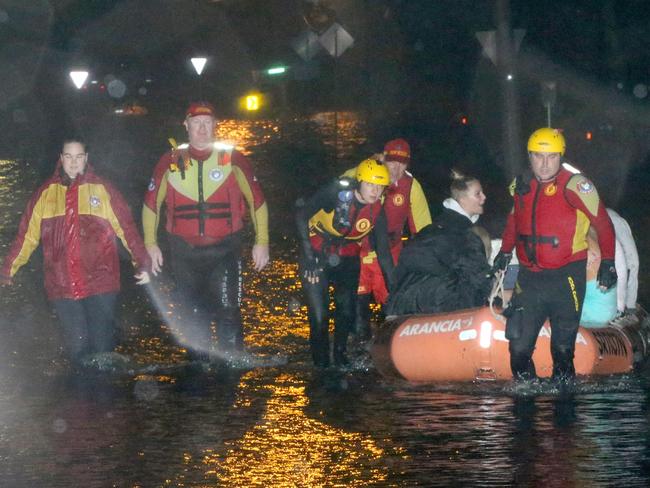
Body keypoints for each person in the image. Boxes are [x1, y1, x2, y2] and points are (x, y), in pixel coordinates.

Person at [0, 138, 151, 368]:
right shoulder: (45, 194)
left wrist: (142, 262)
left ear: (86, 158)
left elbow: (127, 228)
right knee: (78, 352)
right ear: (60, 159)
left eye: (78, 156)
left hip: (101, 283)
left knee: (103, 353)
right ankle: (81, 401)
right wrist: (7, 269)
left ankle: (104, 401)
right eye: (68, 157)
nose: (73, 163)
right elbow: (26, 238)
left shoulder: (103, 190)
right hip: (62, 287)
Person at [142, 101, 269, 358]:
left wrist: (262, 241)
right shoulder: (170, 161)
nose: (202, 128)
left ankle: (231, 367)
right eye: (196, 123)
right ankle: (197, 373)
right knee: (191, 313)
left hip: (224, 250)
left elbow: (257, 201)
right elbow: (151, 205)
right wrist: (150, 243)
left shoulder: (233, 159)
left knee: (227, 308)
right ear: (186, 126)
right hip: (183, 253)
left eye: (207, 123)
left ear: (215, 126)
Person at [492, 128, 617, 381]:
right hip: (530, 278)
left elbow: (603, 224)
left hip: (567, 277)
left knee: (561, 350)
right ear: (530, 156)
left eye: (551, 157)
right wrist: (505, 252)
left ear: (560, 156)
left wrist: (608, 262)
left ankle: (564, 412)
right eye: (539, 156)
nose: (545, 164)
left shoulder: (577, 186)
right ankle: (525, 405)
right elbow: (514, 221)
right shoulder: (521, 185)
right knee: (518, 349)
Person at [296, 158, 394, 367]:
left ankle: (340, 357)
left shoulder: (377, 209)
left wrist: (394, 290)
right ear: (359, 181)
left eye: (380, 187)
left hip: (347, 257)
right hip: (316, 254)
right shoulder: (336, 193)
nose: (375, 191)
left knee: (347, 312)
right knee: (320, 316)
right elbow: (301, 215)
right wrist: (309, 255)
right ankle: (321, 365)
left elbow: (384, 252)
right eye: (370, 184)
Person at [346, 139, 432, 339]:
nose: (396, 167)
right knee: (358, 311)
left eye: (402, 163)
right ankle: (360, 348)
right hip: (358, 251)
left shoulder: (411, 186)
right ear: (383, 158)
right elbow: (342, 183)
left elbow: (423, 230)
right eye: (392, 161)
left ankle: (394, 348)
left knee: (393, 306)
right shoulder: (363, 174)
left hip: (390, 252)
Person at [386, 169, 492, 316]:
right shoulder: (464, 234)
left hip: (403, 304)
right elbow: (477, 277)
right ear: (462, 199)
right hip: (438, 305)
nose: (484, 198)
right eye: (477, 194)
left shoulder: (433, 228)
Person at [607, 208, 639, 325]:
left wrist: (629, 304)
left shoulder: (613, 220)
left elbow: (632, 261)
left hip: (619, 266)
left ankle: (628, 309)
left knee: (630, 264)